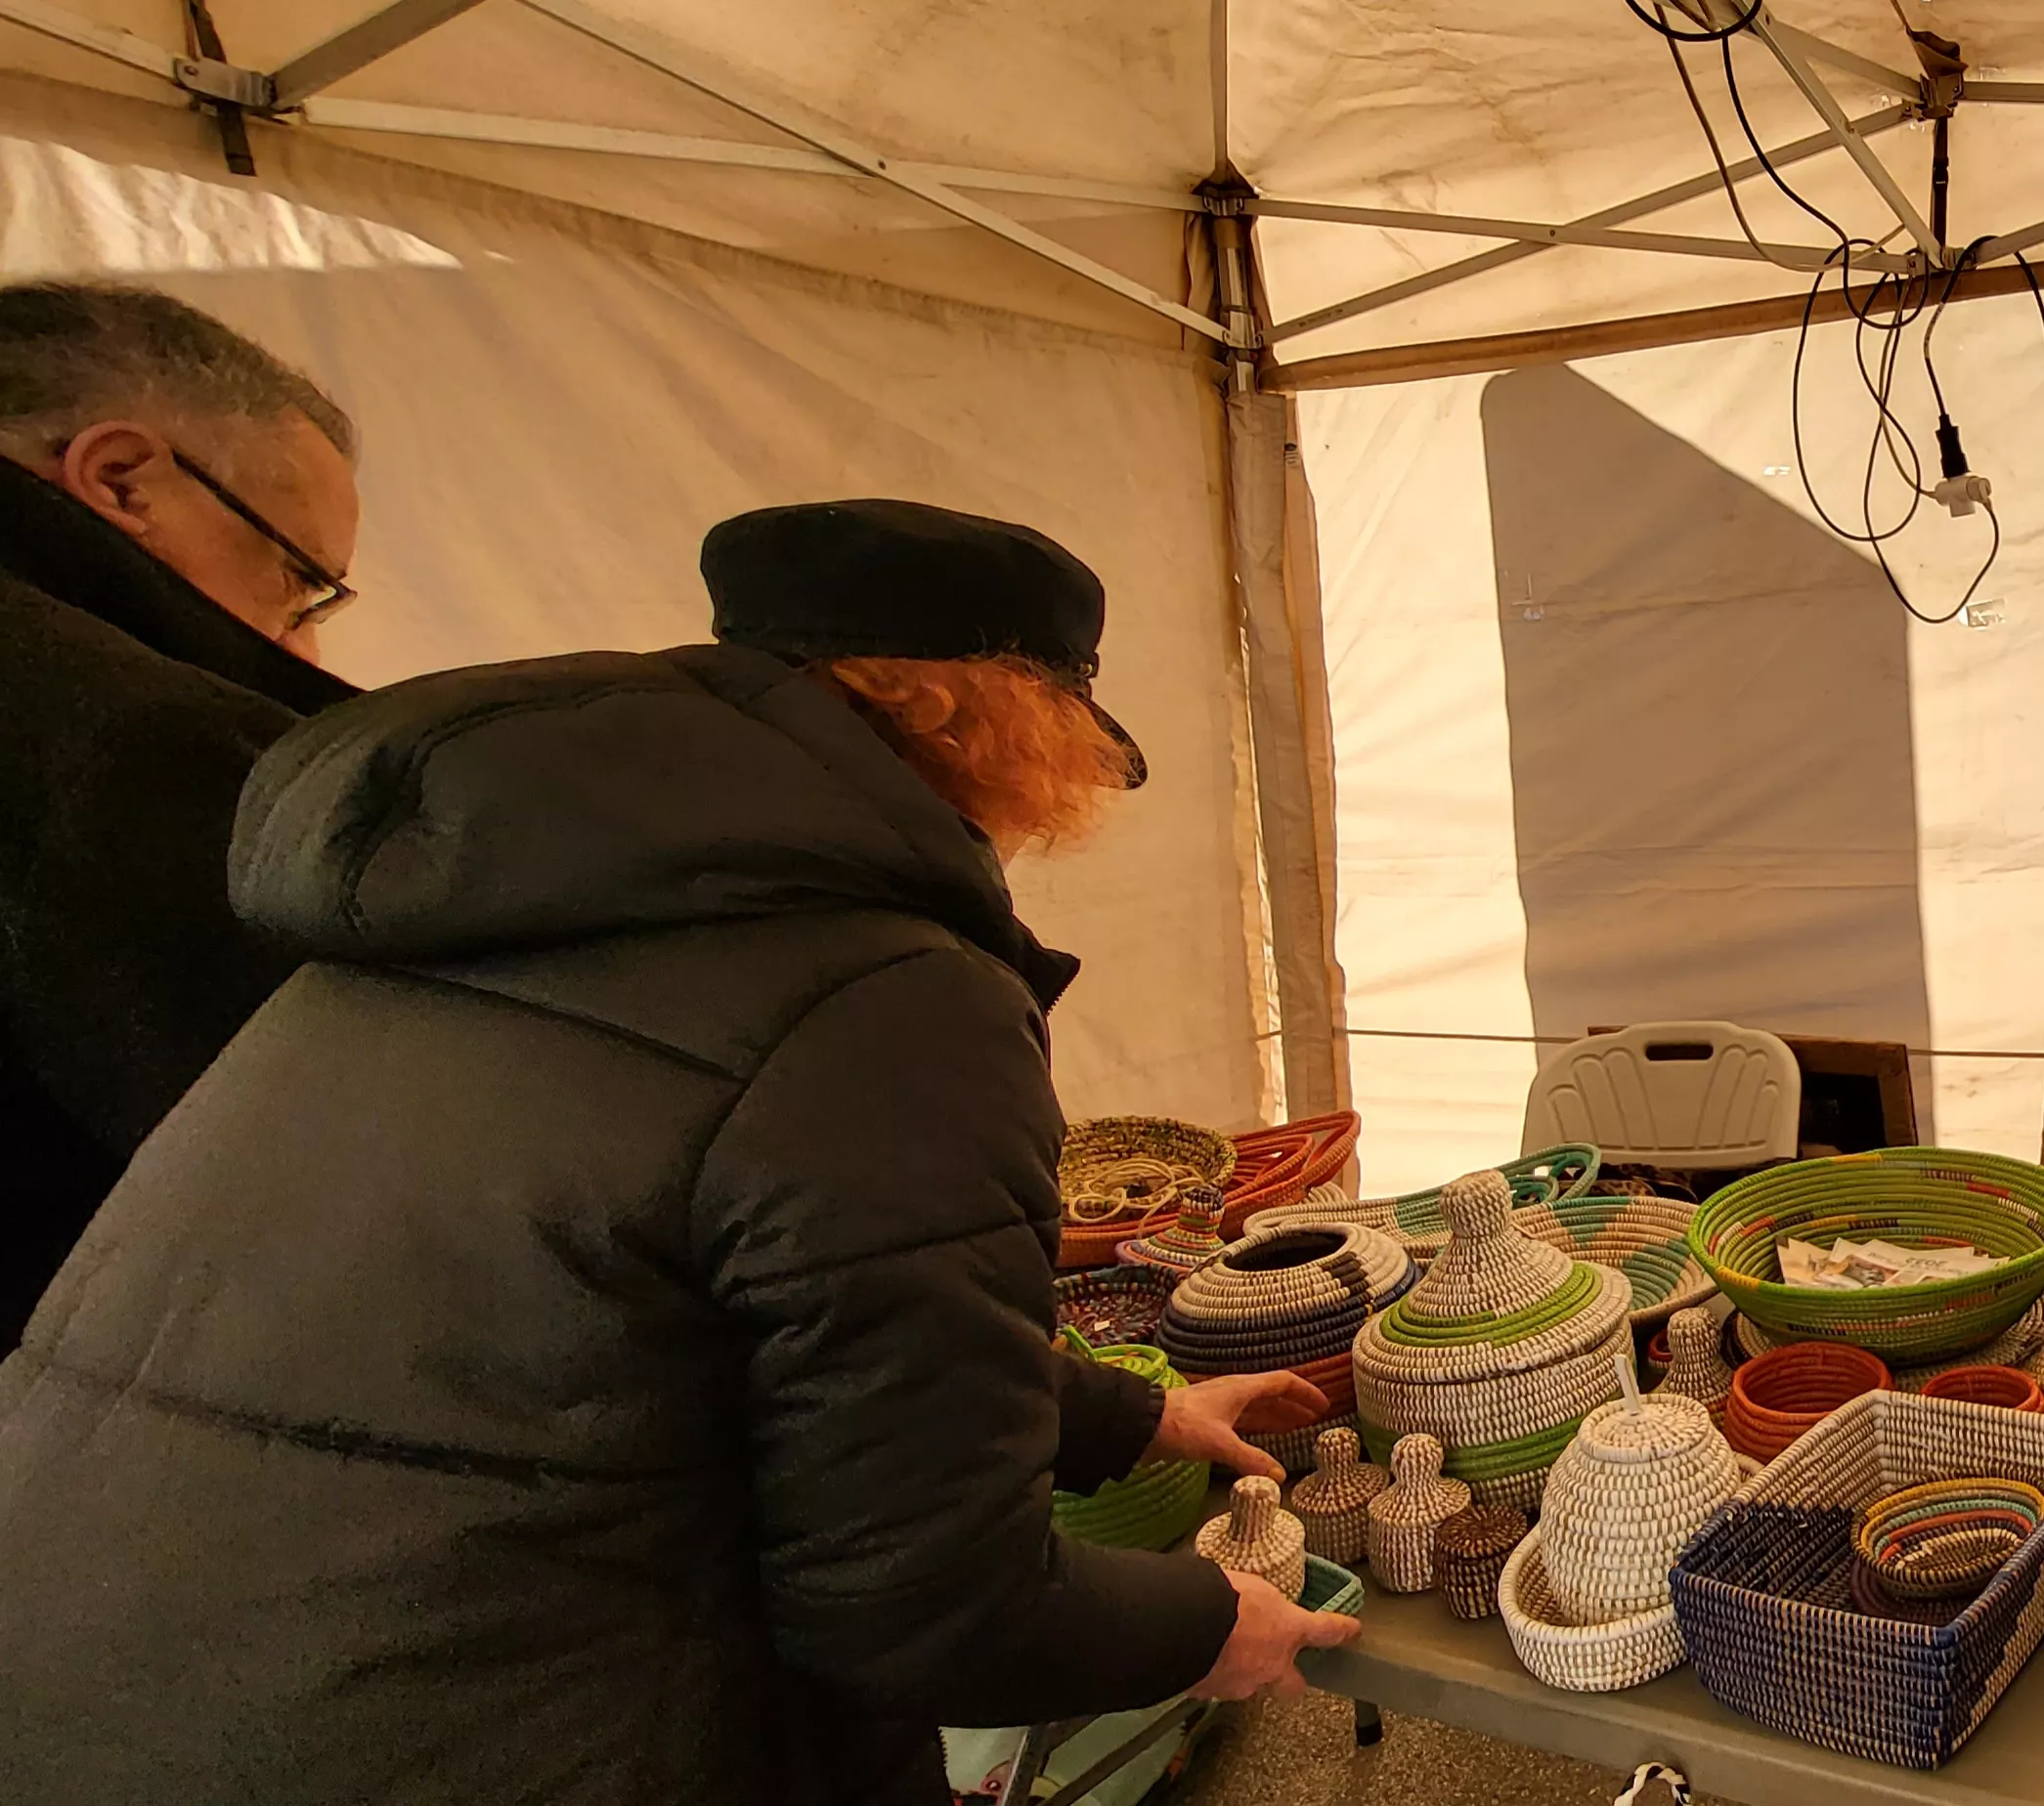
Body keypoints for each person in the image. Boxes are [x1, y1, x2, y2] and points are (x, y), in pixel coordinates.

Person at [0, 500, 1354, 1803]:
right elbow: (924, 1600)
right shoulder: (880, 993)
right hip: (490, 1728)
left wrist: (1128, 1417)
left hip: (130, 1680)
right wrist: (1200, 1624)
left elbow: (694, 1315)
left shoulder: (469, 911)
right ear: (974, 707)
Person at [0, 281, 366, 1341]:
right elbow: (296, 1200)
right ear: (122, 481)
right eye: (298, 585)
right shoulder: (123, 735)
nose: (299, 651)